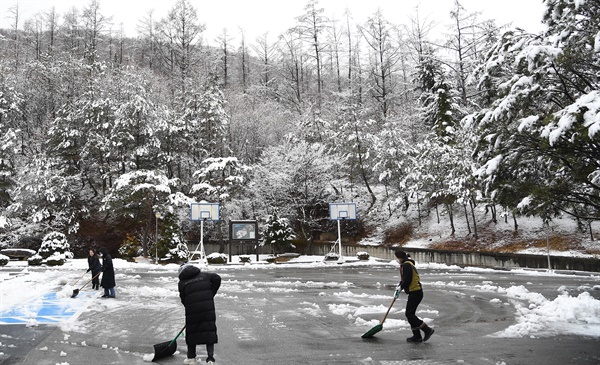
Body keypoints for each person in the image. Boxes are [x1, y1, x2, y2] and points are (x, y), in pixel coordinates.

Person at [178, 263, 221, 365]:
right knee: (209, 331)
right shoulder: (205, 275)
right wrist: (210, 294)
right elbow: (217, 278)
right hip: (207, 307)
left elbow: (183, 298)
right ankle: (210, 359)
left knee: (192, 332)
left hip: (192, 309)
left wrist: (190, 305)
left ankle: (191, 358)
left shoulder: (182, 282)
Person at [394, 249, 435, 342]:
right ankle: (417, 336)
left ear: (400, 257)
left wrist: (401, 287)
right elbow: (405, 279)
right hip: (414, 291)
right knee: (410, 314)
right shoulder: (407, 264)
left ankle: (427, 329)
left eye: (397, 258)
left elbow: (408, 279)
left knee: (409, 314)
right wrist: (399, 286)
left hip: (416, 292)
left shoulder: (407, 265)